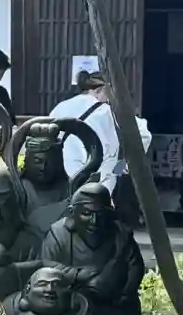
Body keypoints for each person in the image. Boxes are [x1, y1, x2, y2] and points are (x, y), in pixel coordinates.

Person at [49, 71, 151, 227]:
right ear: (101, 89)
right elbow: (143, 135)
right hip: (98, 187)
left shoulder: (61, 108)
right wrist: (122, 165)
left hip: (61, 184)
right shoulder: (109, 113)